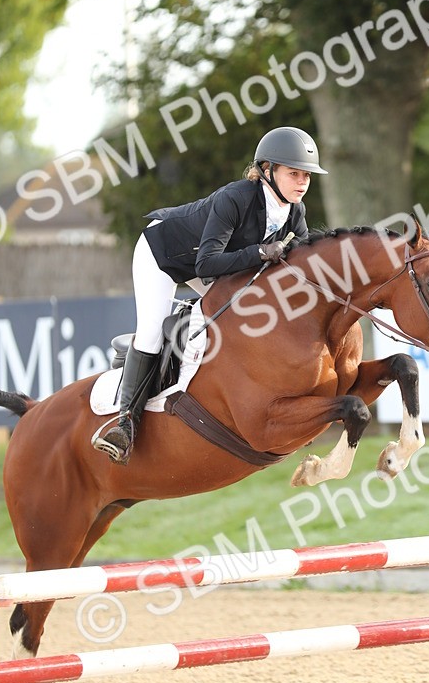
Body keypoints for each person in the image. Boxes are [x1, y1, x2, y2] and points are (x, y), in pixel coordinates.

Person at [92, 125, 327, 464]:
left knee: (248, 313)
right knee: (152, 332)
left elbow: (298, 267)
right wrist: (262, 253)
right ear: (267, 171)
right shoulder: (236, 198)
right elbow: (206, 266)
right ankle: (125, 422)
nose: (302, 182)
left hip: (210, 262)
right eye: (294, 173)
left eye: (306, 175)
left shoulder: (295, 212)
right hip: (163, 255)